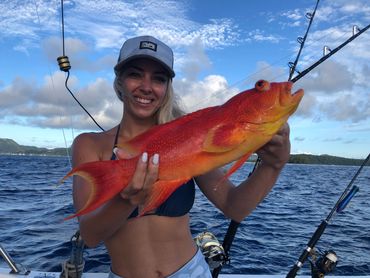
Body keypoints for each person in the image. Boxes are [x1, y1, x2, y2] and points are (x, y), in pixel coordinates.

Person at [71, 35, 291, 278]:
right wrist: (128, 199)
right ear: (119, 81)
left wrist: (273, 165)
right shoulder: (90, 145)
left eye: (158, 78)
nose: (146, 86)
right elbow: (90, 236)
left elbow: (234, 206)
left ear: (167, 87)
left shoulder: (188, 139)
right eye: (135, 74)